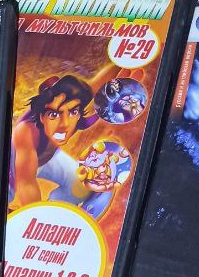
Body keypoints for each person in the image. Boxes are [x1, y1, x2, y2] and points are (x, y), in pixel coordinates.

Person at [10, 73, 121, 217]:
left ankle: (54, 210)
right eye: (54, 114)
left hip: (47, 159)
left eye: (73, 112)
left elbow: (95, 88)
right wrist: (37, 219)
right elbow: (26, 183)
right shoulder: (26, 131)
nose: (65, 124)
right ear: (42, 116)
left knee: (81, 186)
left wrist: (120, 73)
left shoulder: (77, 119)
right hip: (13, 168)